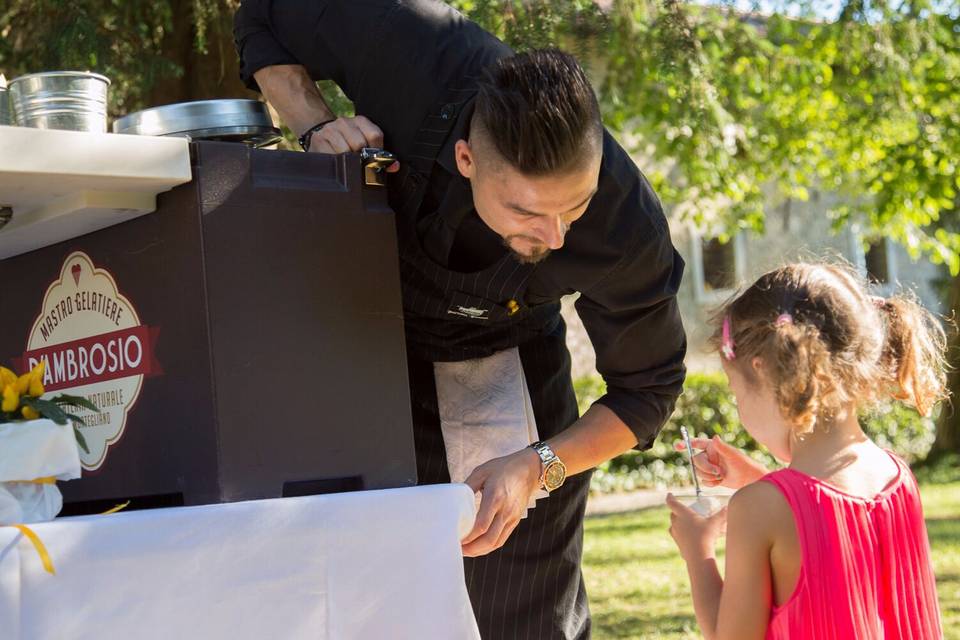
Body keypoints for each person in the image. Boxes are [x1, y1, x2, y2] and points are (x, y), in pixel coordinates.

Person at [233, 1, 686, 637]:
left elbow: (647, 392)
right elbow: (265, 12)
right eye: (528, 212)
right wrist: (314, 124)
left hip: (509, 366)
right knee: (367, 602)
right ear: (468, 160)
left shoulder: (623, 224)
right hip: (361, 343)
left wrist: (537, 464)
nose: (556, 236)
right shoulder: (413, 43)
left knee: (521, 607)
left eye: (575, 205)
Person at [666, 262, 945, 639]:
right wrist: (760, 480)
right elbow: (828, 522)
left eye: (736, 391)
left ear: (762, 371)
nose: (738, 405)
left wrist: (698, 551)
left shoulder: (757, 510)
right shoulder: (896, 477)